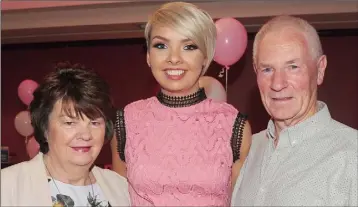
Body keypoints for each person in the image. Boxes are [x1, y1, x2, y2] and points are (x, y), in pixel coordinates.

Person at [110, 2, 252, 206]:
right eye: (161, 45)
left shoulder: (234, 126)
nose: (174, 58)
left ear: (205, 57)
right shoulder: (126, 121)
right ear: (149, 56)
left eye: (189, 46)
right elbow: (119, 199)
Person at [231, 15, 357, 206]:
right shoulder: (248, 150)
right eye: (267, 69)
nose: (278, 84)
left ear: (320, 69)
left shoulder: (351, 155)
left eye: (293, 67)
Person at [1, 63, 130, 206]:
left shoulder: (120, 188)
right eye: (70, 123)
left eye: (94, 123)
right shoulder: (8, 186)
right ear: (44, 127)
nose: (85, 135)